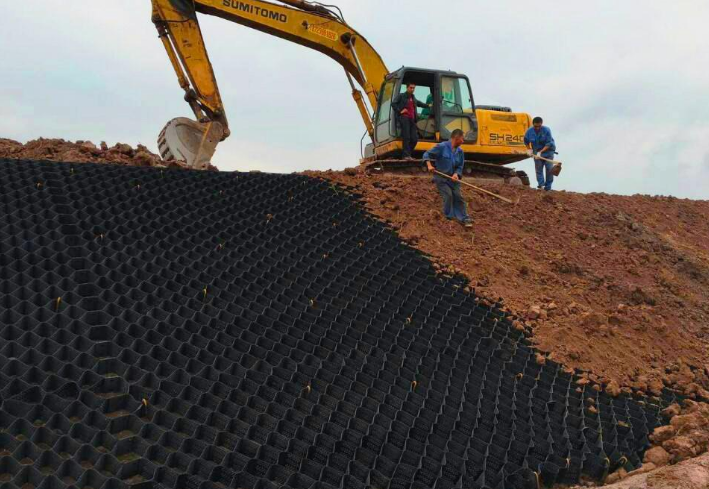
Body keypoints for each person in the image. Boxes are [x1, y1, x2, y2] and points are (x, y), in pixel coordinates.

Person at [423, 129, 473, 228]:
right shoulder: (442, 147)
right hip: (441, 178)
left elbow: (460, 166)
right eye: (462, 139)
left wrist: (456, 174)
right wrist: (429, 165)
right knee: (449, 195)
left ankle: (464, 218)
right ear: (456, 138)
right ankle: (449, 217)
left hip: (453, 179)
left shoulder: (460, 152)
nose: (463, 141)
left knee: (458, 196)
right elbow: (426, 154)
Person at [392, 83, 430, 158]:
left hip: (412, 119)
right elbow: (393, 104)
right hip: (404, 118)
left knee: (415, 138)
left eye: (413, 88)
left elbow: (419, 103)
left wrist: (428, 105)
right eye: (411, 88)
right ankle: (406, 155)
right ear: (407, 88)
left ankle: (407, 154)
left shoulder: (413, 97)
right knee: (407, 137)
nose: (412, 89)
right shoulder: (401, 96)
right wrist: (400, 111)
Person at [524, 116, 557, 191]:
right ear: (533, 124)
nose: (537, 128)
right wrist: (529, 149)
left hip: (548, 151)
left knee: (549, 169)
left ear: (541, 124)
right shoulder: (529, 131)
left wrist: (540, 152)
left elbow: (548, 144)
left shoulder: (547, 130)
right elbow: (526, 141)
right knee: (538, 169)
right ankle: (541, 185)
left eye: (539, 126)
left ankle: (548, 187)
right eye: (536, 126)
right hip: (536, 151)